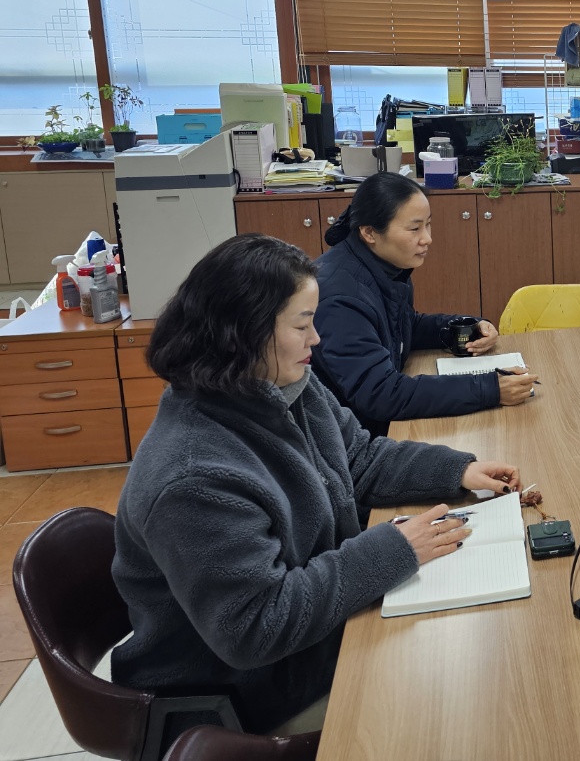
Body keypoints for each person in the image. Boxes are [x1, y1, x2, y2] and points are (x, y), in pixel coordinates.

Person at [112, 233, 527, 735]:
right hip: (240, 697)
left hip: (311, 643)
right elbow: (255, 627)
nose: (316, 340)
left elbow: (358, 458)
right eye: (302, 324)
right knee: (455, 702)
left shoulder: (281, 384)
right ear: (244, 333)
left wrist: (456, 470)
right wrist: (392, 550)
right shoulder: (192, 477)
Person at [313, 172, 536, 436]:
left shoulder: (383, 266)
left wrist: (466, 329)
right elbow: (381, 394)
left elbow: (403, 327)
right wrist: (490, 389)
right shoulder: (340, 299)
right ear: (369, 232)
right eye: (414, 229)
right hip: (352, 441)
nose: (427, 238)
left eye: (428, 225)